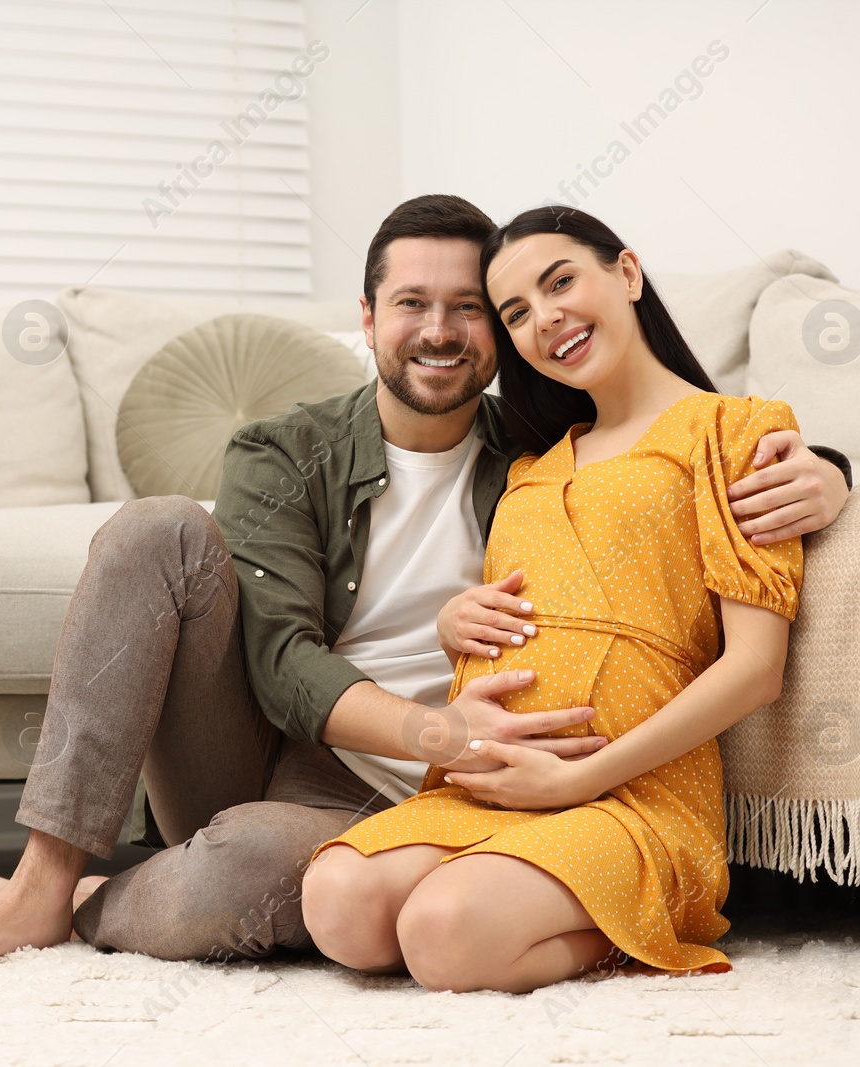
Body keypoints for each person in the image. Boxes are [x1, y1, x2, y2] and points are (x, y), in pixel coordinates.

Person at [0, 195, 851, 972]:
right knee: (158, 528)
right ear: (367, 318)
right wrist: (443, 726)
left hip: (426, 799)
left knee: (271, 873)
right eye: (412, 304)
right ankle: (47, 880)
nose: (442, 330)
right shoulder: (285, 450)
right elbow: (278, 660)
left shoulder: (536, 445)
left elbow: (675, 452)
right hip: (296, 748)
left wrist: (831, 469)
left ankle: (108, 899)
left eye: (474, 308)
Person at [301, 205, 806, 994]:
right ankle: (511, 895)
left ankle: (633, 924)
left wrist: (577, 779)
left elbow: (756, 668)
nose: (546, 319)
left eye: (560, 281)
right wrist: (450, 626)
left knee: (443, 935)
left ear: (628, 273)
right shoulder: (531, 465)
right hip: (492, 785)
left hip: (634, 798)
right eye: (516, 313)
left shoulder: (736, 432)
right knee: (336, 901)